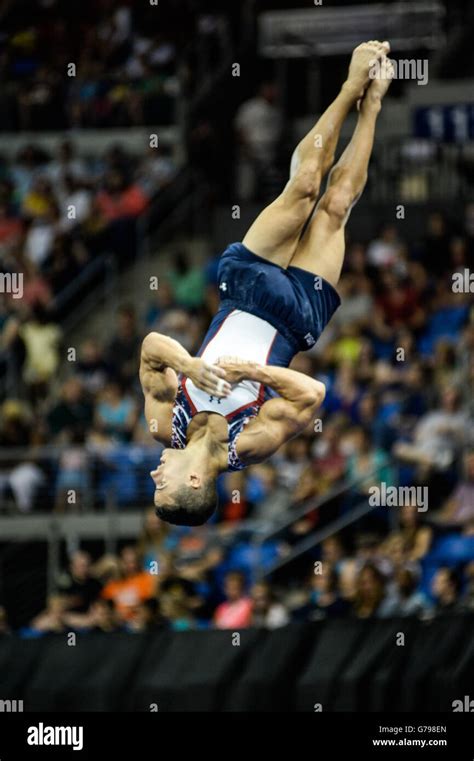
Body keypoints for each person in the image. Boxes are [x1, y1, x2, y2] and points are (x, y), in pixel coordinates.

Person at [140, 42, 393, 526]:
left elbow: (151, 347)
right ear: (195, 482)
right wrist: (256, 375)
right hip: (297, 316)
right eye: (162, 486)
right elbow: (313, 394)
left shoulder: (162, 424)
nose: (155, 476)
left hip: (245, 291)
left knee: (302, 191)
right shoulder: (248, 444)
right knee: (336, 207)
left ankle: (349, 88)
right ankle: (374, 105)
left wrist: (189, 364)